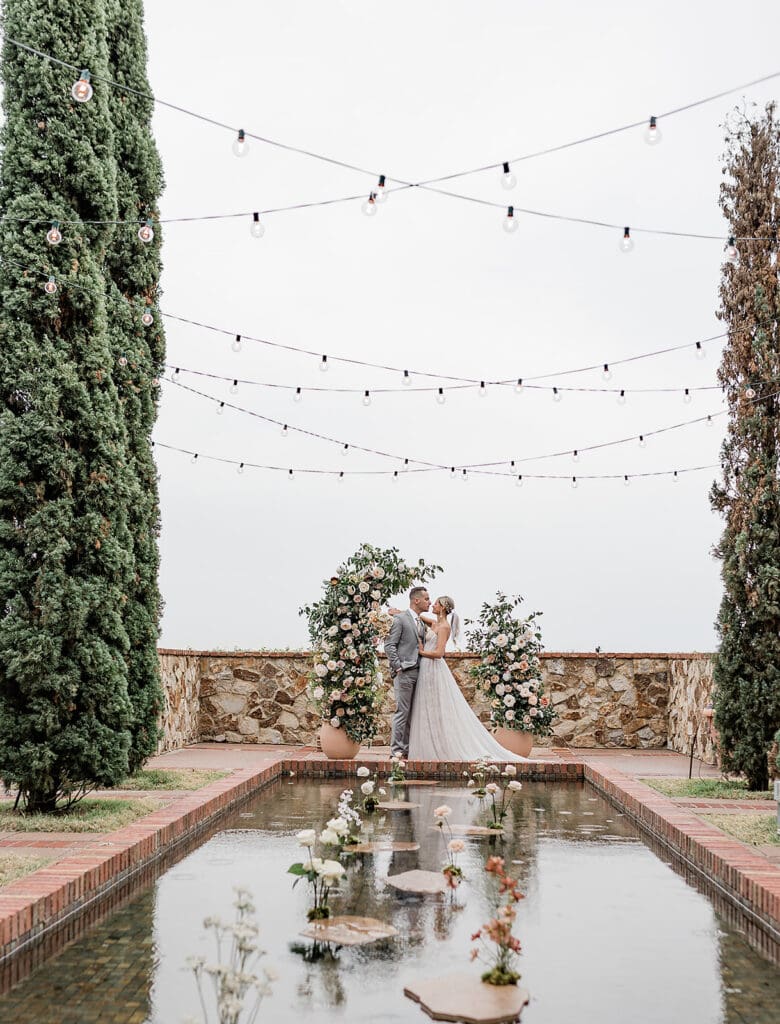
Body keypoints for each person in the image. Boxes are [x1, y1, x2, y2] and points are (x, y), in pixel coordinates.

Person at [392, 596, 529, 762]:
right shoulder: (434, 623)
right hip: (425, 669)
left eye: (435, 603)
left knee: (436, 706)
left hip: (433, 667)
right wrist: (398, 612)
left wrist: (421, 652)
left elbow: (439, 653)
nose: (432, 605)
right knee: (425, 706)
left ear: (442, 607)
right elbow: (415, 616)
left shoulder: (444, 627)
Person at [384, 586, 431, 758]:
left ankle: (408, 750)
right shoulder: (400, 619)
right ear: (416, 600)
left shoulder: (420, 621)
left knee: (413, 713)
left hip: (421, 672)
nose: (430, 602)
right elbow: (389, 645)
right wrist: (398, 667)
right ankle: (396, 751)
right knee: (402, 712)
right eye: (426, 599)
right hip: (405, 672)